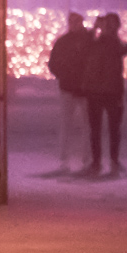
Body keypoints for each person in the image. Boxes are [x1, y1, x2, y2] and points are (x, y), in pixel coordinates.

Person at [80, 13, 127, 176]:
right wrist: (95, 30)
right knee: (99, 129)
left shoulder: (112, 42)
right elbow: (84, 47)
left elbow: (123, 49)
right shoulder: (99, 41)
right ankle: (100, 162)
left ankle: (106, 162)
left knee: (110, 129)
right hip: (102, 91)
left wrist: (98, 31)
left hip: (109, 91)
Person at [46, 12, 93, 174]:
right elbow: (53, 63)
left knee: (72, 125)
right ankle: (81, 160)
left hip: (75, 88)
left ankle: (70, 160)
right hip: (79, 88)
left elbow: (53, 63)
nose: (73, 24)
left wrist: (63, 76)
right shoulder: (88, 40)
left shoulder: (65, 42)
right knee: (82, 126)